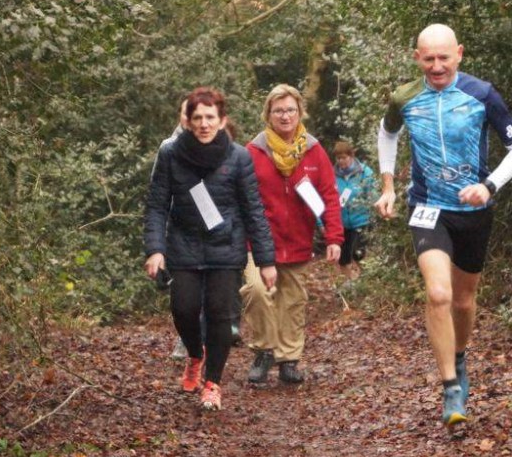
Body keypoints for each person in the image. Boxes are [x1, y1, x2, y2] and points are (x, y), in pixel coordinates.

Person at [374, 24, 512, 427]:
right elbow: (387, 133)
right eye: (428, 59)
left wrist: (489, 185)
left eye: (444, 58)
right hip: (428, 208)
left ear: (459, 54)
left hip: (474, 212)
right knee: (438, 293)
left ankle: (459, 359)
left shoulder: (482, 94)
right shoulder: (405, 97)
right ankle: (450, 389)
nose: (437, 66)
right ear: (417, 58)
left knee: (463, 301)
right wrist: (388, 185)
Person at [144, 87, 277, 411]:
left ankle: (213, 383)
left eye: (210, 117)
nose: (204, 124)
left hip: (225, 247)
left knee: (220, 314)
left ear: (222, 120)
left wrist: (265, 260)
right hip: (183, 244)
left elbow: (253, 210)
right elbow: (157, 205)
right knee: (184, 309)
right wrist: (155, 249)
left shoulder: (239, 157)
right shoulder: (171, 154)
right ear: (187, 121)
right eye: (198, 118)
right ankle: (195, 354)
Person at [242, 84, 343, 385]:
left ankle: (288, 358)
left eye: (290, 110)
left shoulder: (313, 150)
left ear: (300, 112)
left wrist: (334, 237)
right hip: (259, 240)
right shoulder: (253, 151)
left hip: (298, 239)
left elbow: (329, 195)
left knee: (292, 300)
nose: (285, 116)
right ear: (268, 114)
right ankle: (264, 350)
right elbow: (241, 197)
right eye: (278, 111)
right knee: (256, 291)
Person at [333, 140, 377, 282]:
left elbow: (373, 195)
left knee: (358, 254)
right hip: (342, 223)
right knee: (343, 258)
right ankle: (351, 282)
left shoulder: (364, 172)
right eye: (338, 158)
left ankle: (364, 282)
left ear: (351, 156)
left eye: (344, 157)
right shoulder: (332, 174)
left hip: (361, 220)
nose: (341, 161)